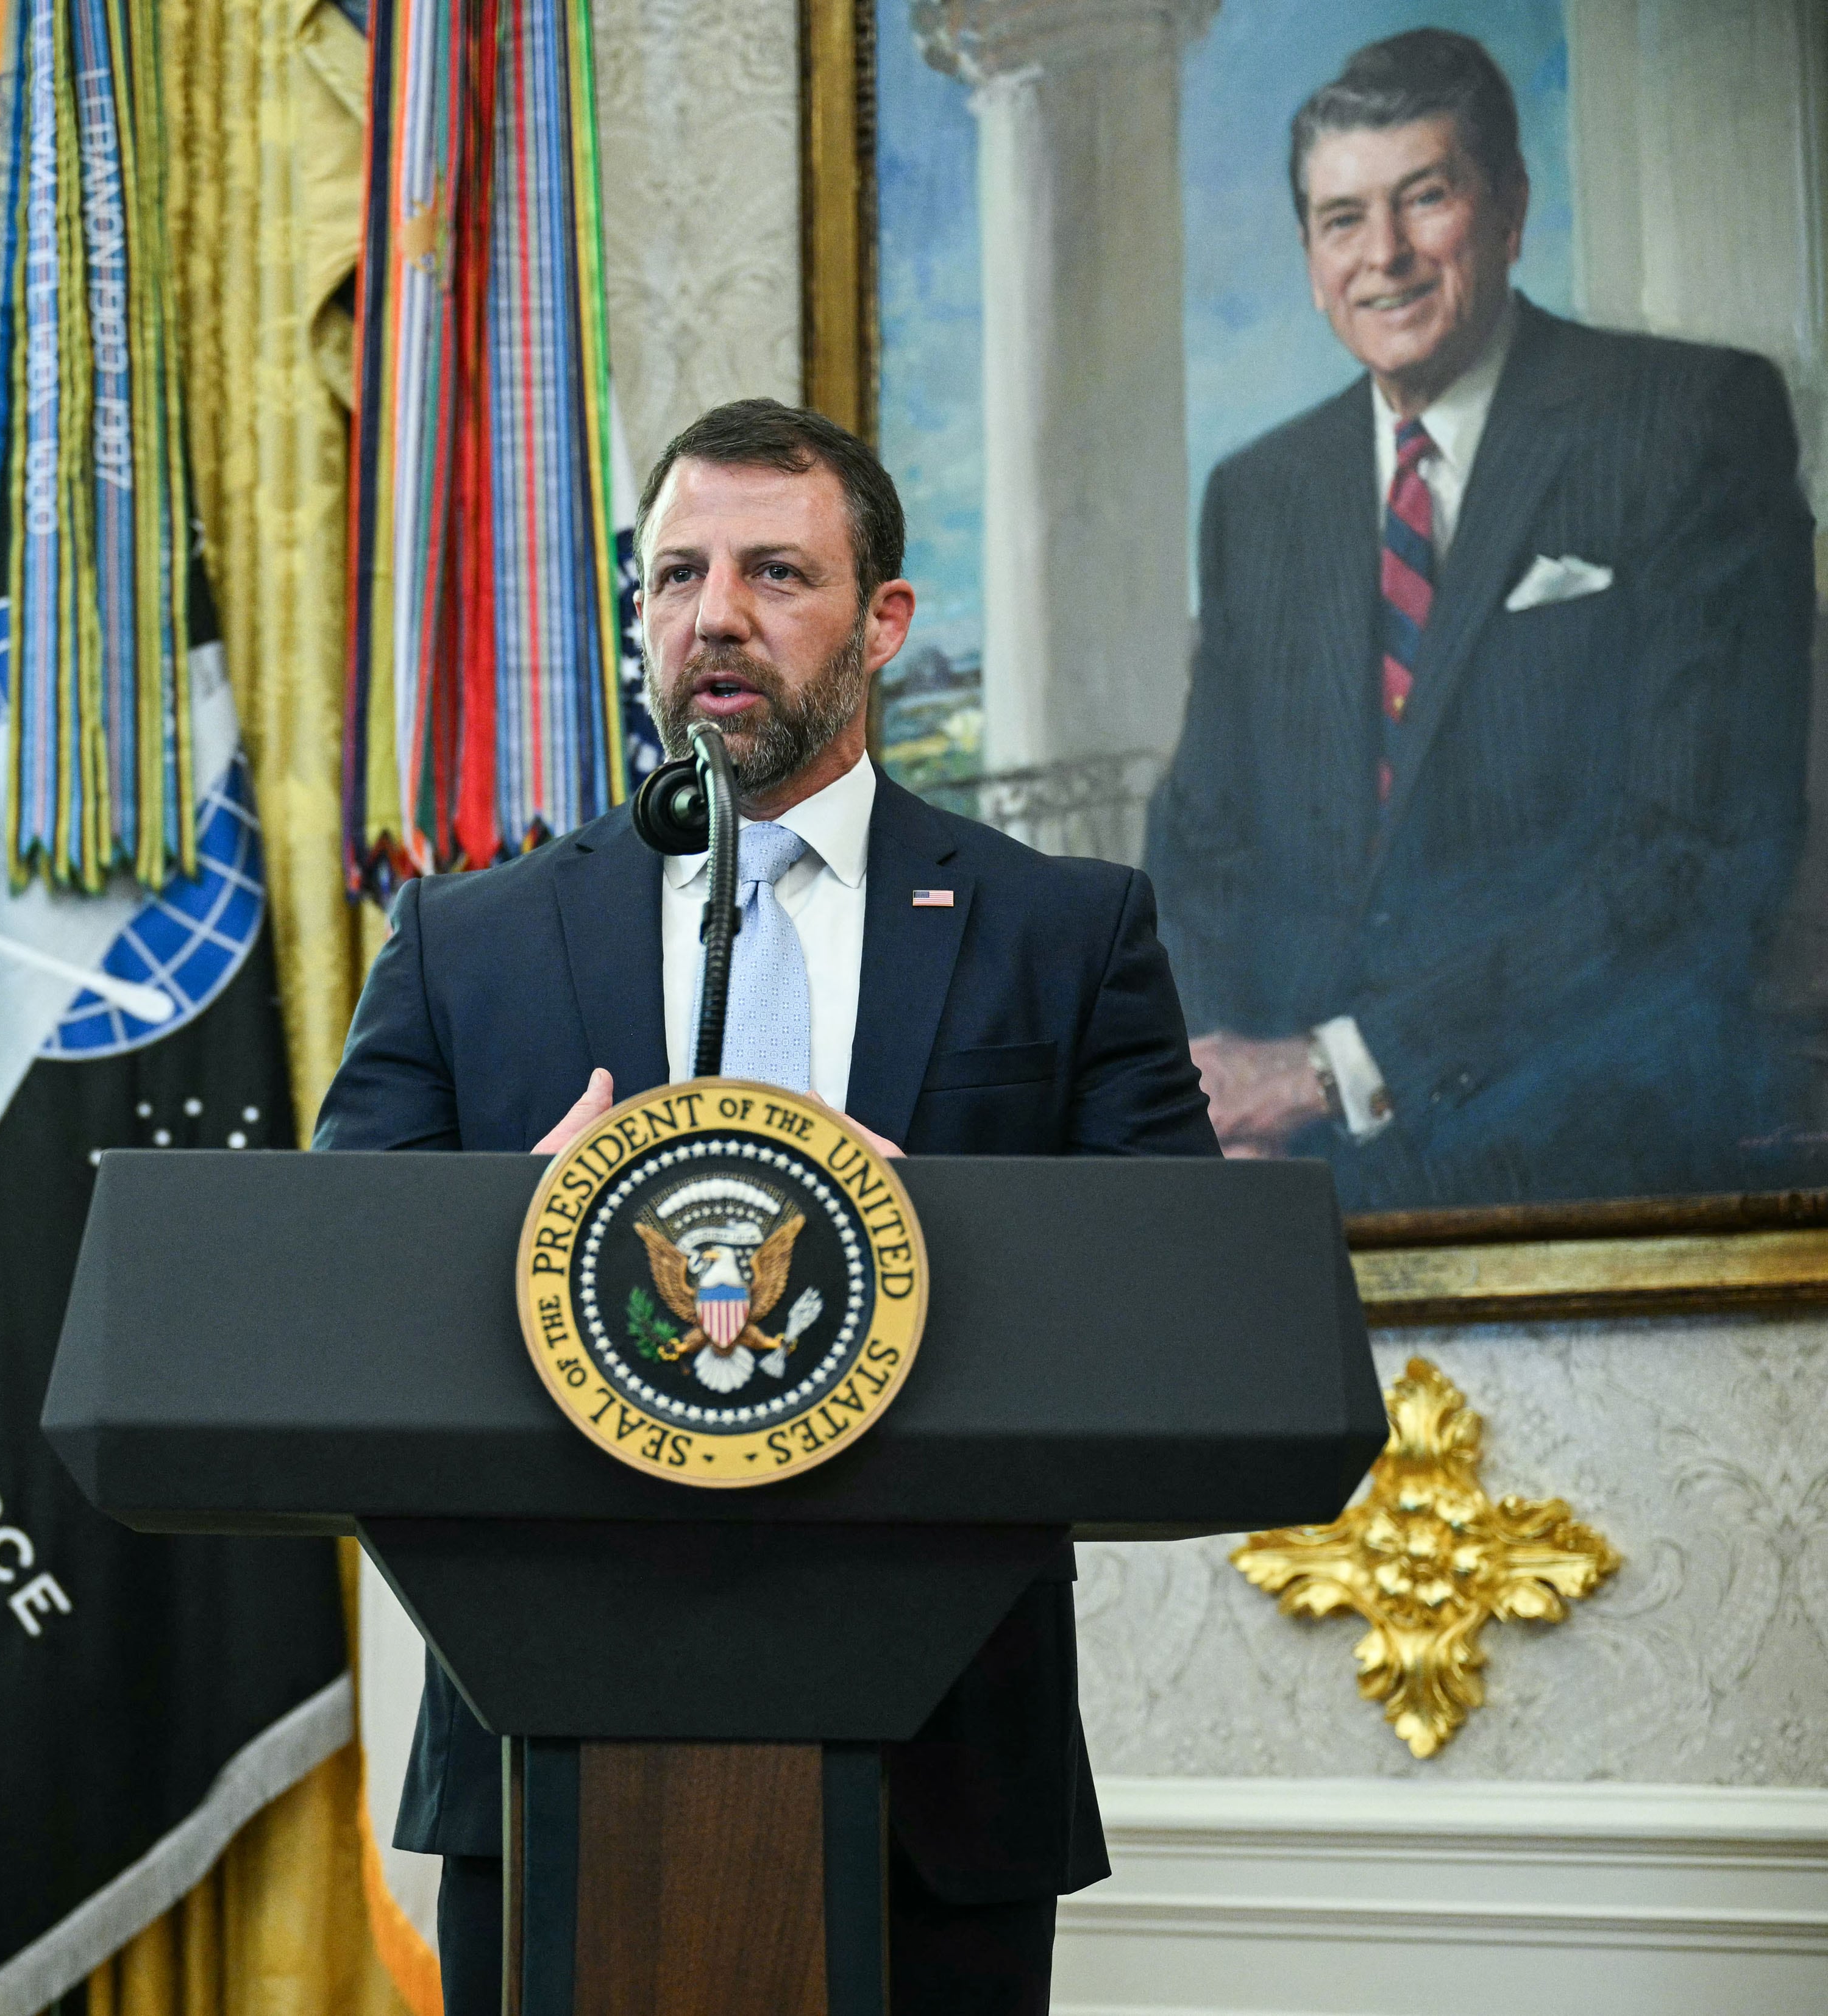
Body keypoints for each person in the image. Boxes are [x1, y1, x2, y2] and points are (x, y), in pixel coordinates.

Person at [315, 399, 1218, 2015]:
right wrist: (505, 1235)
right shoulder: (472, 939)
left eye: (774, 573)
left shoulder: (1060, 932)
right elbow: (314, 1299)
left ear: (883, 618)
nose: (713, 614)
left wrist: (934, 1234)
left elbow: (1175, 1307)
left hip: (945, 1782)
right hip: (544, 1764)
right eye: (675, 574)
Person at [1146, 27, 1816, 1209]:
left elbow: (1690, 856)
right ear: (1308, 254)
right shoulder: (1258, 494)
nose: (1384, 256)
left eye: (1425, 198)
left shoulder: (1684, 423)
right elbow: (1201, 840)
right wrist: (1218, 1089)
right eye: (1341, 218)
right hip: (1290, 1164)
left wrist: (1334, 1068)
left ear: (1506, 207)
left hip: (1596, 1143)